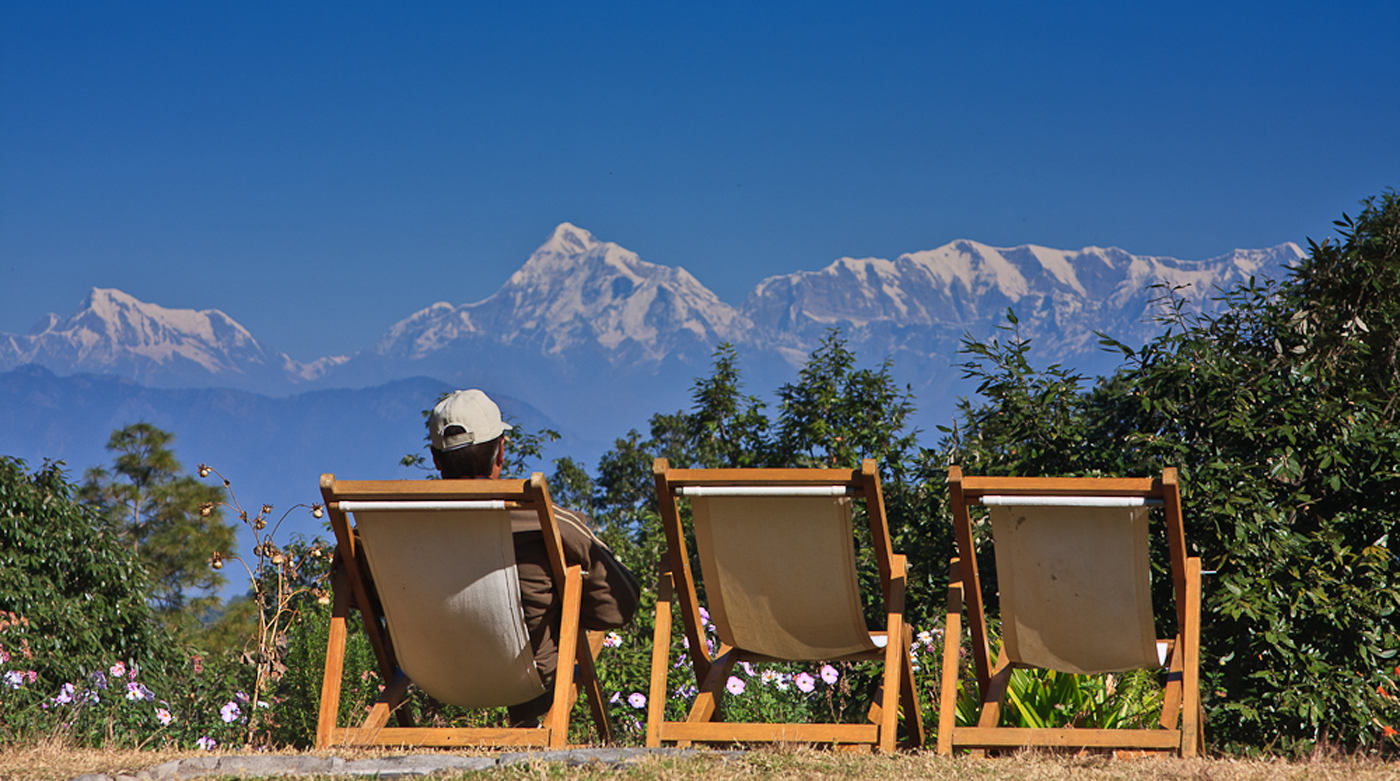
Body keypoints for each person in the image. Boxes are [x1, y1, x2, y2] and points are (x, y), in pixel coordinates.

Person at [427, 389, 640, 726]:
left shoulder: (384, 527)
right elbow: (620, 603)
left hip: (430, 672)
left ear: (435, 460)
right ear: (501, 453)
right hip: (529, 675)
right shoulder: (545, 522)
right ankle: (532, 726)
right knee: (563, 618)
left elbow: (355, 592)